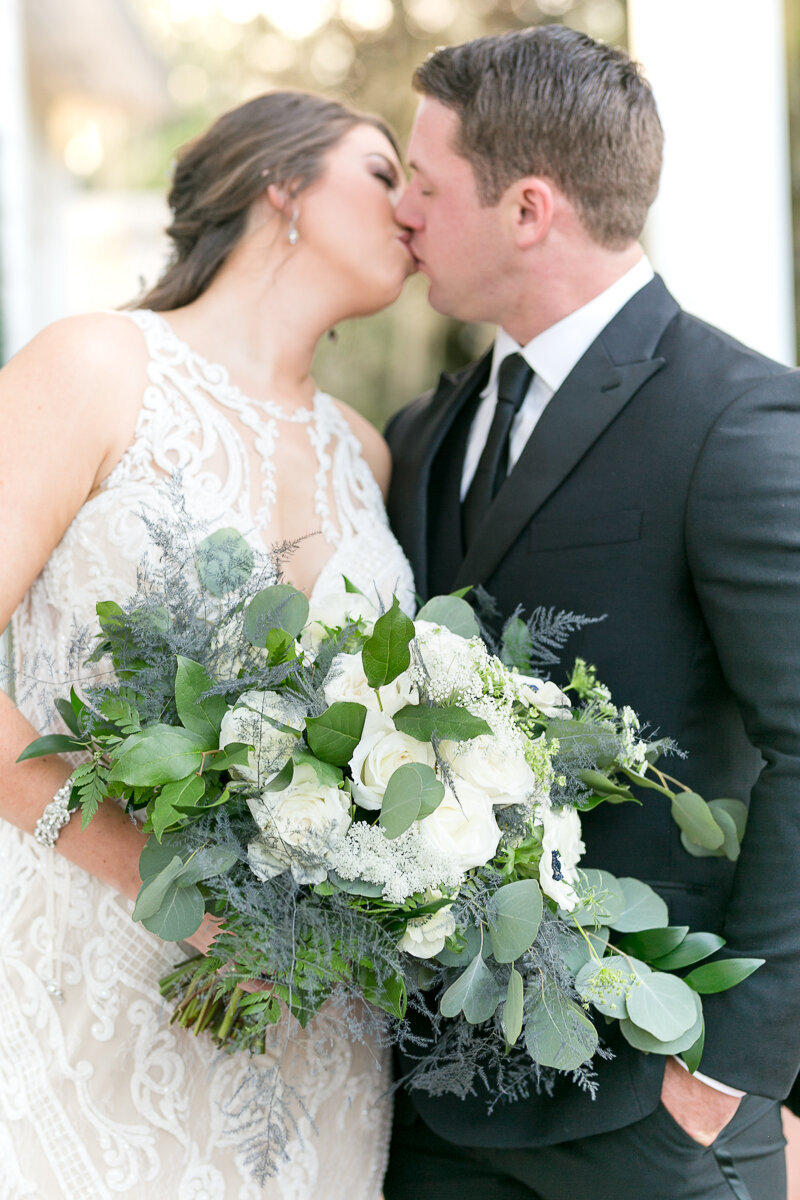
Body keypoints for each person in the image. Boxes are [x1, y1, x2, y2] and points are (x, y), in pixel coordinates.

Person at [384, 25, 800, 1200]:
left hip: (646, 1114)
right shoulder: (427, 434)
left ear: (526, 209)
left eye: (423, 183)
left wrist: (726, 1073)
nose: (403, 213)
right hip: (431, 1107)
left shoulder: (737, 423)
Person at [0, 90, 414, 1198]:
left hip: (305, 1025)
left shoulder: (362, 454)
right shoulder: (93, 366)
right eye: (381, 172)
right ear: (279, 185)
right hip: (82, 966)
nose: (413, 204)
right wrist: (157, 886)